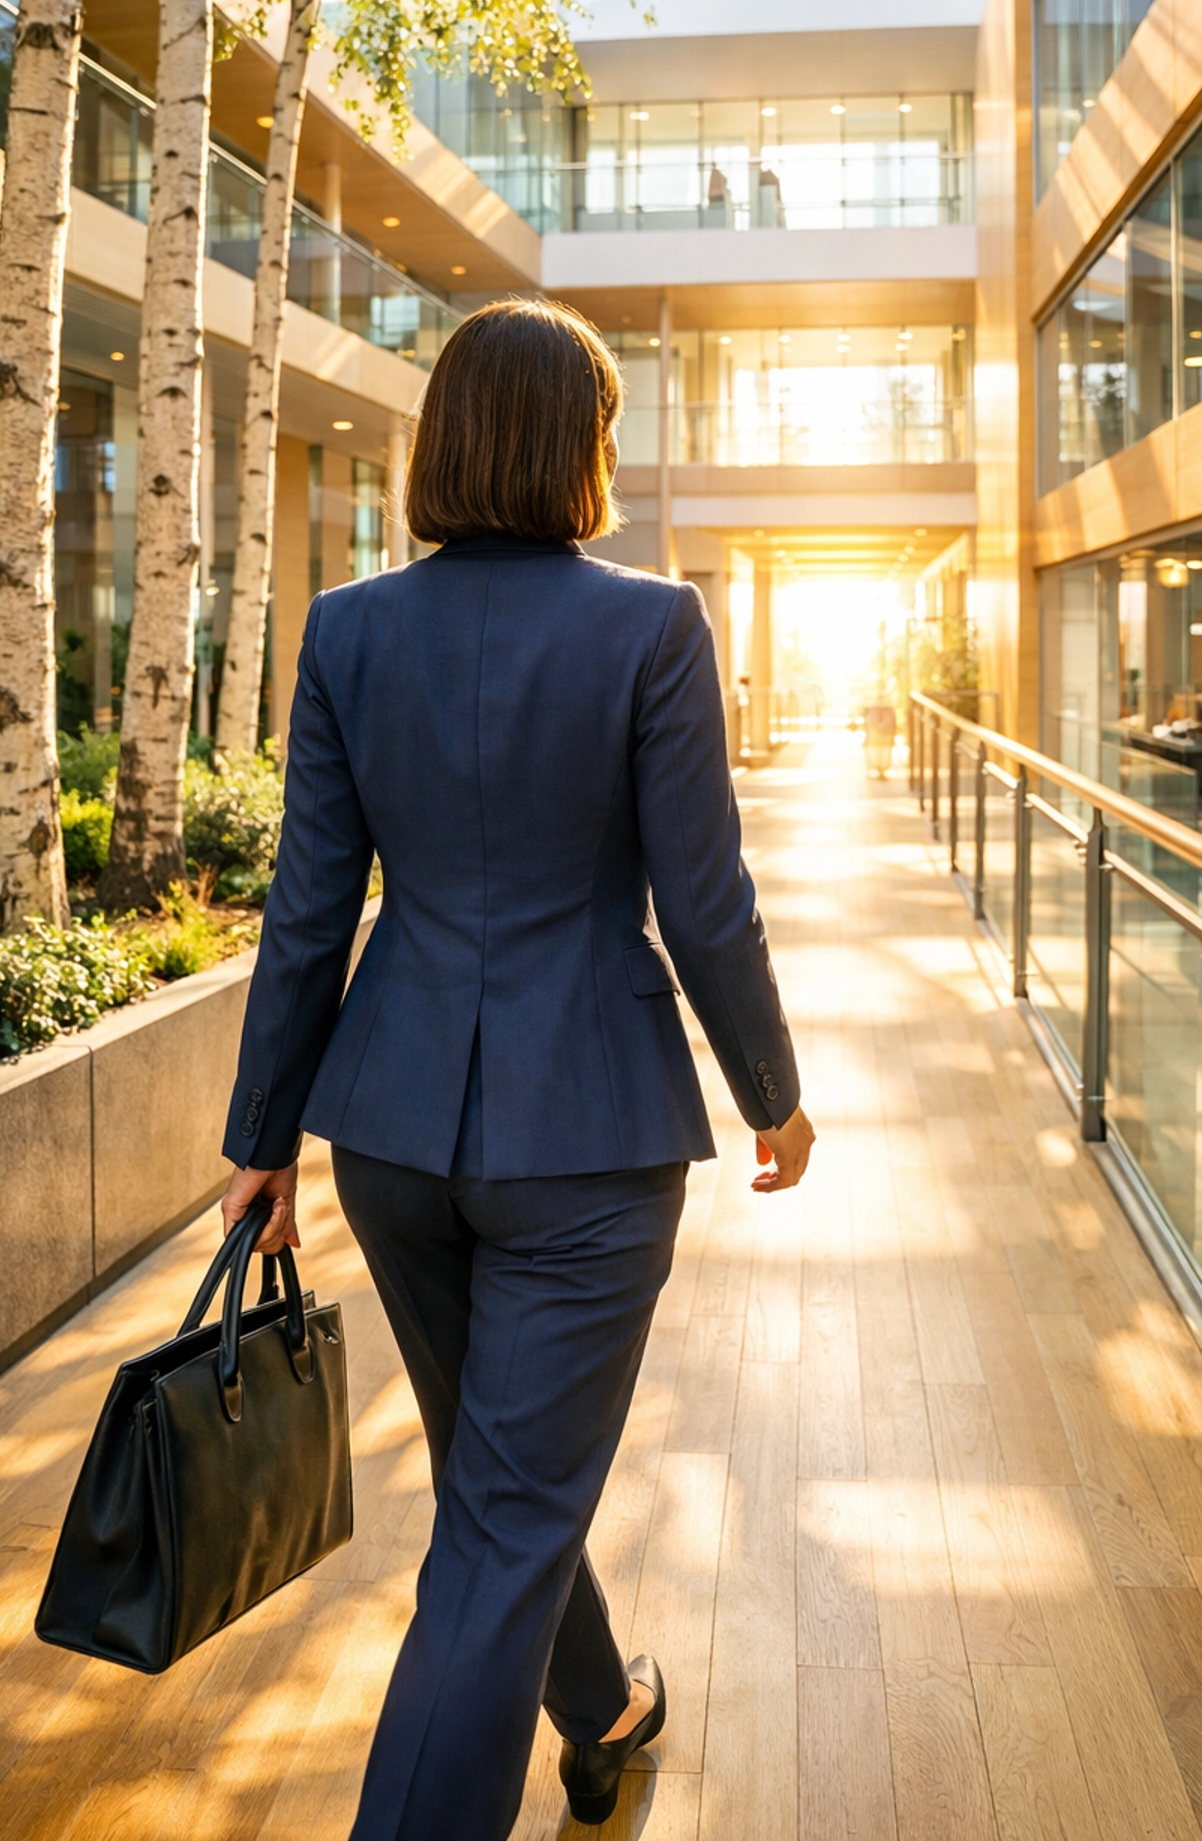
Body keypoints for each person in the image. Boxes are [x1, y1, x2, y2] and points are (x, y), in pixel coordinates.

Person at [218, 300, 814, 1841]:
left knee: (499, 1481)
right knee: (499, 1521)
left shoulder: (350, 630)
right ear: (580, 447)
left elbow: (307, 907)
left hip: (398, 1139)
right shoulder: (650, 625)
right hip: (589, 1146)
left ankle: (604, 1706)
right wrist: (773, 1092)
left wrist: (262, 1137)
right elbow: (705, 901)